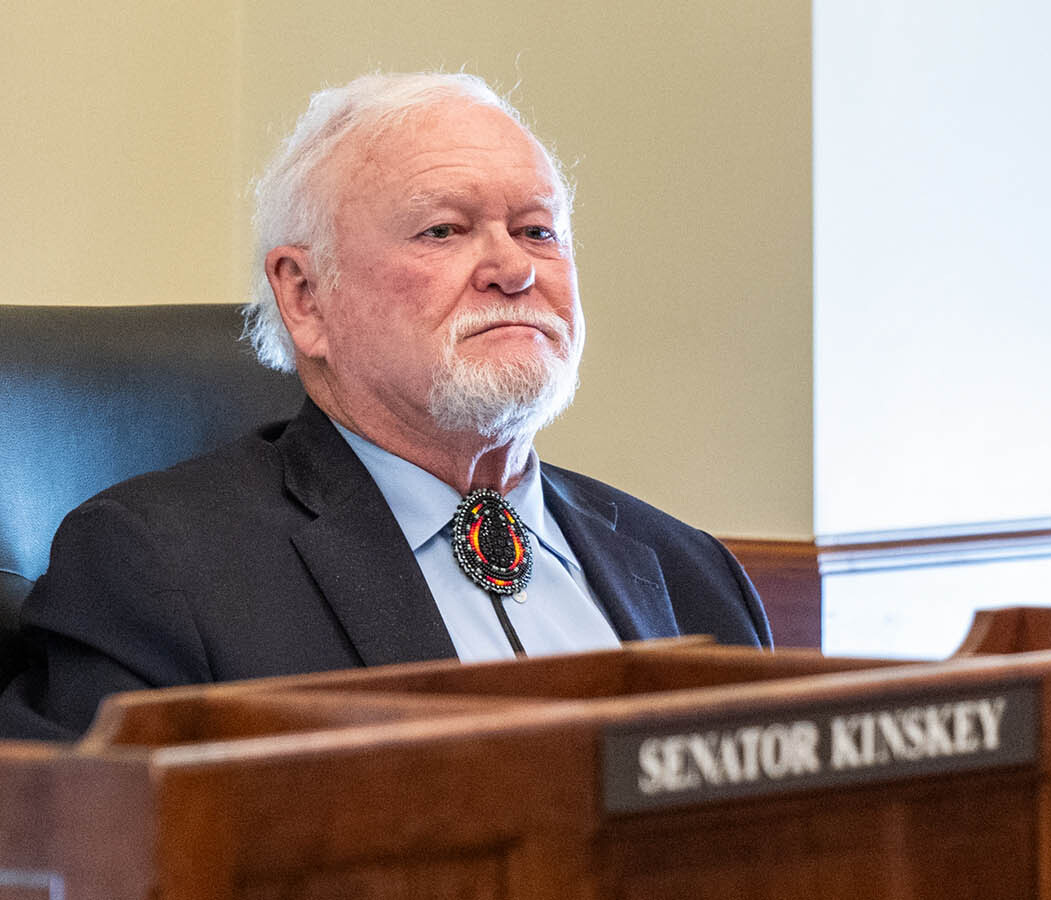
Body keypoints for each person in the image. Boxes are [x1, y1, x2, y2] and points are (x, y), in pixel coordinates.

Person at [0, 72, 770, 742]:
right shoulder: (156, 571)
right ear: (304, 296)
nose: (513, 268)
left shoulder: (691, 572)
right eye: (444, 230)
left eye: (539, 231)